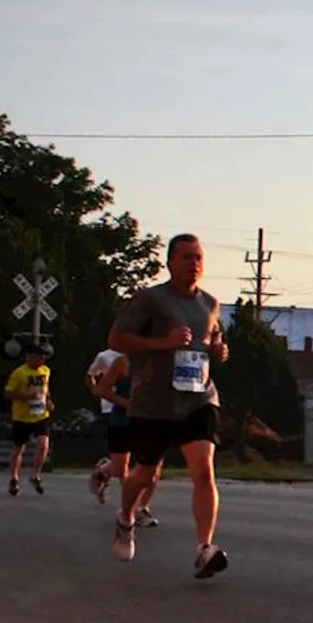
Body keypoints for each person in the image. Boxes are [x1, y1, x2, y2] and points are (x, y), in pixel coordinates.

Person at [107, 234, 229, 577]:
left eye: (199, 257)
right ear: (170, 262)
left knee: (204, 468)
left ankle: (205, 548)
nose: (195, 264)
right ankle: (126, 518)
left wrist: (219, 349)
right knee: (143, 474)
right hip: (154, 402)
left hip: (199, 397)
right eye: (188, 257)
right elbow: (116, 339)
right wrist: (162, 342)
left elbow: (212, 336)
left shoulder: (210, 303)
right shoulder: (150, 300)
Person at [86, 346, 160, 526]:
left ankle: (141, 508)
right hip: (122, 418)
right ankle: (103, 471)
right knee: (120, 468)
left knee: (152, 467)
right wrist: (126, 403)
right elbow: (102, 388)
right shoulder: (120, 361)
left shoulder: (162, 361)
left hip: (151, 419)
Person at [5, 342, 52, 496]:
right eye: (39, 358)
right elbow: (9, 393)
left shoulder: (45, 370)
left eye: (43, 358)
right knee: (19, 448)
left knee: (44, 444)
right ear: (30, 358)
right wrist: (26, 397)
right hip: (22, 416)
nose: (41, 361)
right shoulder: (19, 373)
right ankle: (14, 477)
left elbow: (46, 388)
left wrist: (49, 401)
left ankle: (35, 475)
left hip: (40, 414)